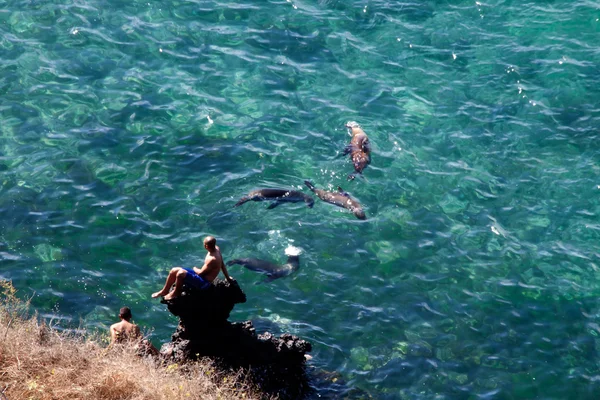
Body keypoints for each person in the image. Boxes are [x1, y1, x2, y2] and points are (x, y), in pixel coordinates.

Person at [152, 236, 234, 300]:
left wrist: (194, 268)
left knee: (180, 274)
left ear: (206, 246)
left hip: (204, 283)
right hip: (201, 277)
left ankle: (176, 293)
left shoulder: (212, 259)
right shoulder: (216, 249)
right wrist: (228, 278)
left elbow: (201, 273)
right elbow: (222, 264)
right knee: (174, 270)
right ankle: (164, 291)